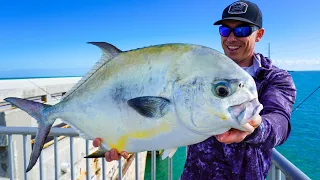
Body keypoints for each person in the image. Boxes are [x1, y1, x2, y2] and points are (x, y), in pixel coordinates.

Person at [93, 0, 297, 179]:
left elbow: (280, 124)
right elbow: (170, 122)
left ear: (259, 34)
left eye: (242, 30)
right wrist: (128, 141)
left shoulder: (275, 78)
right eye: (225, 30)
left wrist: (255, 128)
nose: (231, 38)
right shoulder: (201, 73)